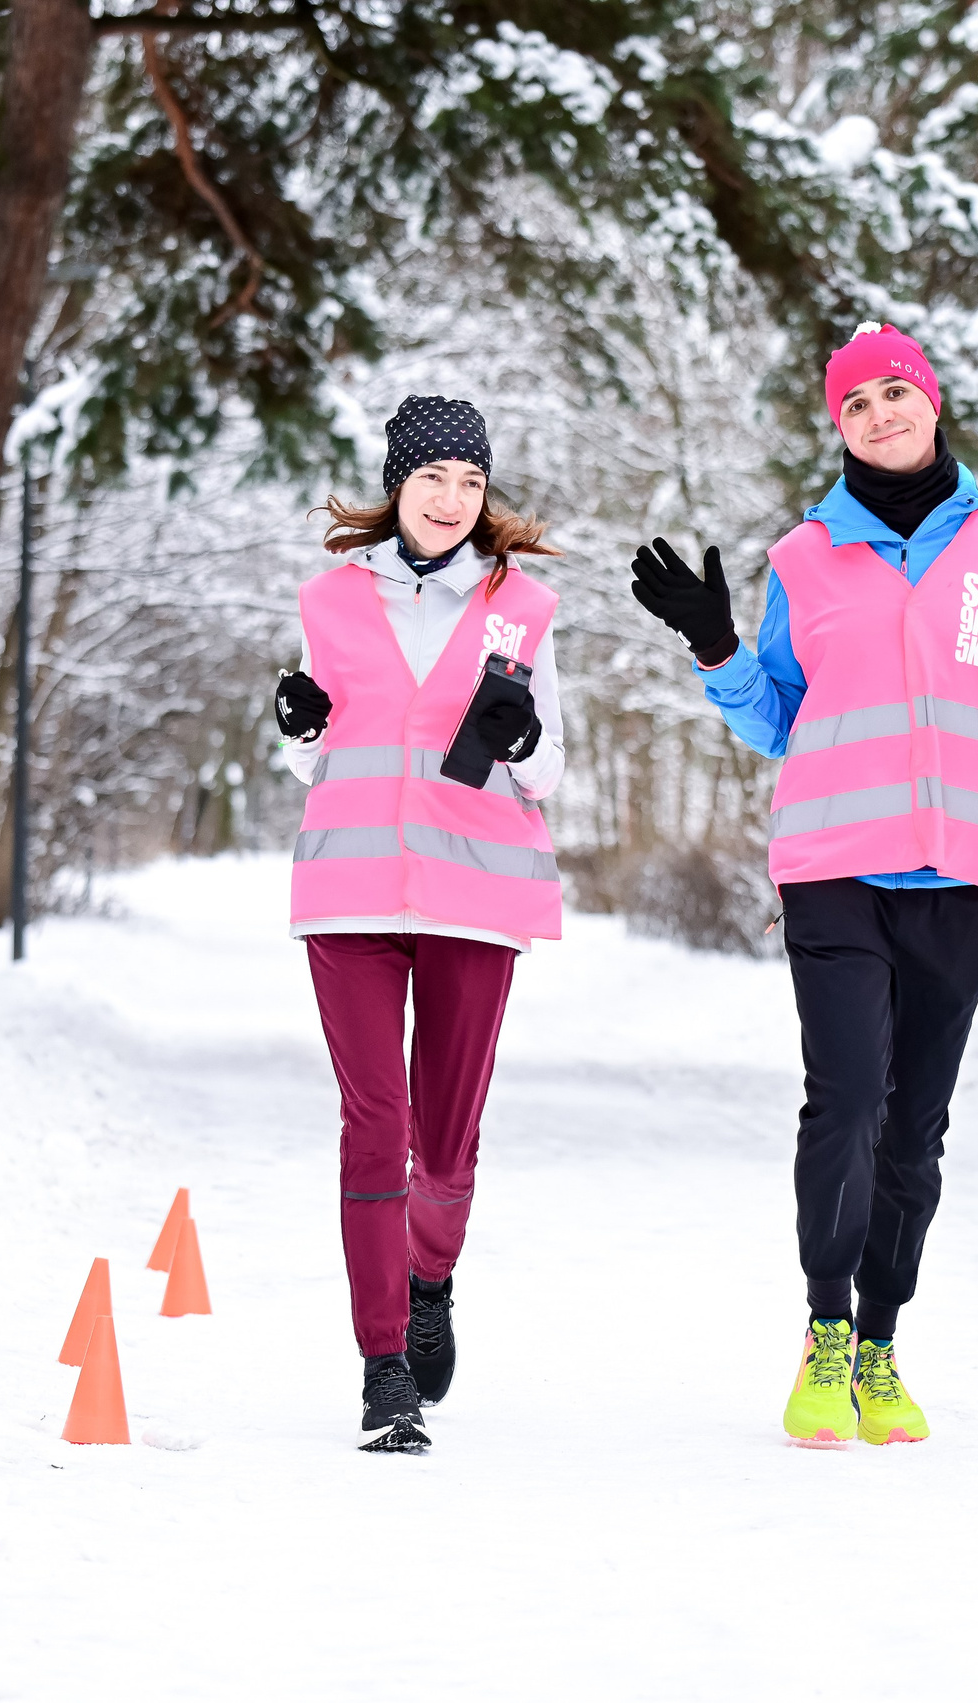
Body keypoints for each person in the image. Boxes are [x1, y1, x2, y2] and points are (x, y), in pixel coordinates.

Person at [627, 323, 978, 1447]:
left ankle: (881, 1342)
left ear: (930, 401)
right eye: (854, 402)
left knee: (914, 1125)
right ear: (839, 425)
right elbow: (775, 717)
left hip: (965, 870)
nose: (877, 414)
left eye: (893, 393)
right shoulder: (804, 556)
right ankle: (823, 1331)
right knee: (848, 1098)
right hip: (831, 865)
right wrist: (717, 642)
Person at [276, 395, 568, 1453]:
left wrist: (524, 732)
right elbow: (315, 750)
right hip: (350, 890)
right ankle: (382, 1365)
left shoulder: (522, 607)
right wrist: (297, 730)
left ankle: (429, 1276)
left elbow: (550, 768)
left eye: (471, 482)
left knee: (443, 1143)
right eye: (433, 478)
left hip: (474, 896)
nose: (450, 500)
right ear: (398, 484)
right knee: (375, 1123)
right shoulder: (329, 599)